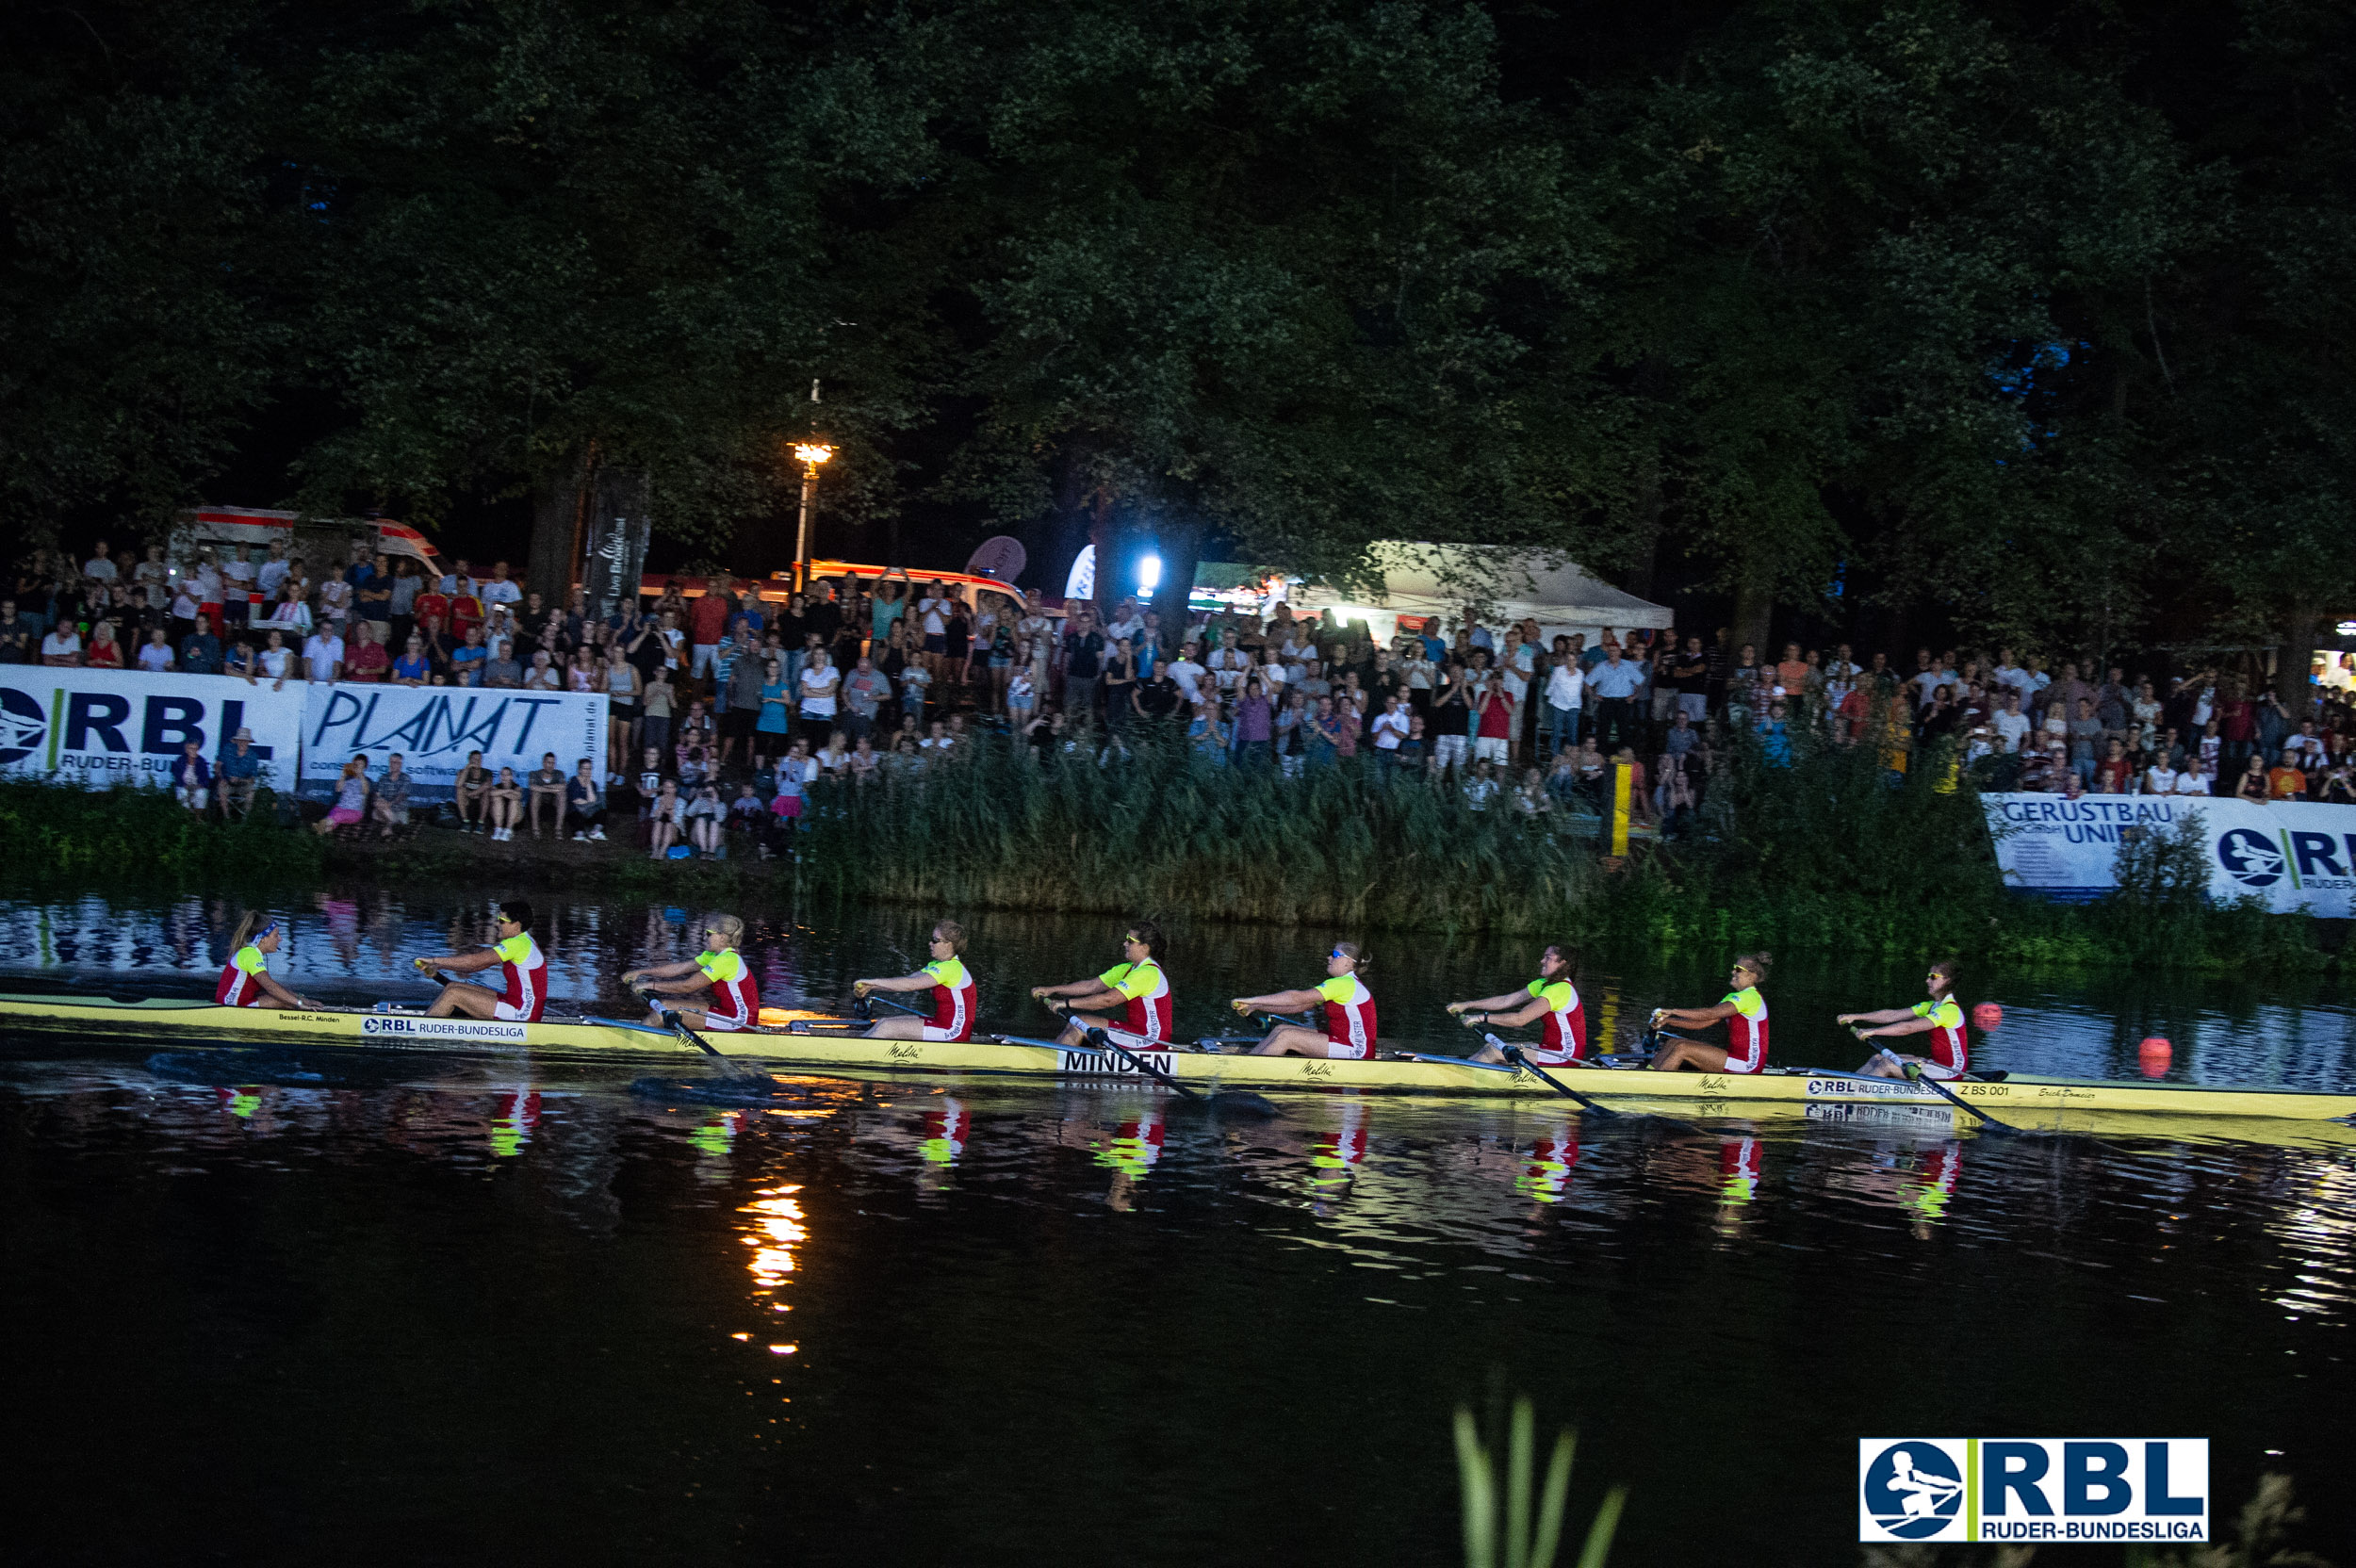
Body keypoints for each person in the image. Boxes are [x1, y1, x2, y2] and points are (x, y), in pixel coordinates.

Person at [1029, 921, 1172, 1046]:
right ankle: (1059, 1053)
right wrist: (1051, 989)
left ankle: (1056, 1063)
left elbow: (1107, 1000)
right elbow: (1092, 986)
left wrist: (1065, 1004)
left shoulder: (1148, 973)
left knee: (1080, 1024)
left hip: (1150, 1040)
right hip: (1136, 1032)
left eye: (1130, 941)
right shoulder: (1128, 968)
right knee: (1077, 1022)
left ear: (1144, 947)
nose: (1124, 944)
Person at [1450, 942, 1588, 1066]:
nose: (1542, 961)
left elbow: (1520, 1019)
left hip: (1565, 1056)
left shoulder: (1560, 989)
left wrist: (1481, 1018)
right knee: (1494, 1048)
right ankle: (1465, 1070)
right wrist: (1467, 1005)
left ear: (1562, 964)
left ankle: (1457, 1081)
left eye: (1548, 958)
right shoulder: (1544, 984)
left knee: (1493, 1050)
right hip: (1549, 1049)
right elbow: (1507, 1000)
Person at [1236, 941, 1378, 1059]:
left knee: (1287, 1037)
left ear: (1348, 962)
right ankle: (1249, 1061)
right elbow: (1298, 1006)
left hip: (1356, 1051)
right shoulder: (1343, 984)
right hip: (1341, 1040)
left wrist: (1250, 999)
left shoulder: (1344, 984)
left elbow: (1295, 997)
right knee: (1281, 1029)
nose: (1329, 958)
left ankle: (1250, 1070)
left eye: (1335, 955)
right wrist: (1256, 1006)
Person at [412, 900, 548, 1021]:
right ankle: (435, 1021)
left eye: (501, 921)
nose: (496, 924)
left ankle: (420, 1032)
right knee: (452, 987)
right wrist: (439, 965)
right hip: (514, 1002)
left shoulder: (517, 944)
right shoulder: (524, 940)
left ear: (516, 925)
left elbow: (473, 962)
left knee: (454, 995)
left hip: (522, 1014)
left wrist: (434, 959)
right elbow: (476, 967)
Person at [626, 913, 761, 1032]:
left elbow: (687, 986)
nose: (705, 937)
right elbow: (679, 968)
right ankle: (645, 1033)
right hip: (727, 1013)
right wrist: (641, 972)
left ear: (722, 937)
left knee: (666, 1008)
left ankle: (631, 1042)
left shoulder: (727, 960)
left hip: (739, 1022)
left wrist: (649, 985)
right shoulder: (714, 955)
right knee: (667, 1007)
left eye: (709, 933)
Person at [1841, 957, 1970, 1080]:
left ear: (1947, 981)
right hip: (1936, 1063)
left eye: (1933, 977)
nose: (1927, 981)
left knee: (1886, 1065)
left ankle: (1853, 1093)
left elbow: (1908, 1028)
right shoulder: (1930, 1006)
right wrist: (1855, 1017)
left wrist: (1874, 1032)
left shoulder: (1949, 1011)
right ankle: (1848, 1085)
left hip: (1951, 1071)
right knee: (1877, 1058)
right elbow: (1892, 1015)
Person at [852, 921, 981, 1041]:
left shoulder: (952, 968)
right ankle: (854, 1048)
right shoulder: (938, 964)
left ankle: (850, 1054)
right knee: (883, 1022)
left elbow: (911, 985)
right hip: (941, 1023)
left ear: (949, 944)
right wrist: (870, 987)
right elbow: (909, 979)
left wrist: (874, 981)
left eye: (935, 940)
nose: (930, 943)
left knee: (888, 1028)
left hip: (954, 1032)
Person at [1646, 953, 1772, 1074]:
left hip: (1749, 1064)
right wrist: (1668, 1021)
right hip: (1734, 1057)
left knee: (1683, 1048)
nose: (1733, 972)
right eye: (1734, 968)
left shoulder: (1751, 997)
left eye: (1738, 969)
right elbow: (1703, 1022)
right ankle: (1648, 1074)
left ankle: (1656, 1084)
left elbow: (1709, 1013)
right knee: (1673, 1043)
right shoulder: (1733, 997)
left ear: (1752, 976)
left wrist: (1673, 1011)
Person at [214, 912, 321, 1008]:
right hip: (231, 1007)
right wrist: (299, 1003)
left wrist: (303, 999)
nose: (280, 939)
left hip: (238, 1004)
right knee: (284, 1001)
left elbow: (272, 988)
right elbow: (271, 987)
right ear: (263, 939)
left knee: (283, 998)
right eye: (276, 935)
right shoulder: (250, 954)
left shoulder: (252, 952)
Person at [313, 755, 372, 835]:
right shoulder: (347, 779)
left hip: (355, 811)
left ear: (365, 767)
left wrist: (361, 775)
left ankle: (320, 826)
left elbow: (366, 791)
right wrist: (343, 775)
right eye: (355, 764)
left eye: (360, 764)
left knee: (337, 816)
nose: (357, 766)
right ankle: (321, 831)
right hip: (340, 807)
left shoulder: (367, 780)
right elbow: (338, 789)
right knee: (332, 820)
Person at [526, 752, 567, 838]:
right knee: (535, 794)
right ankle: (535, 828)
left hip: (553, 804)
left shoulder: (559, 773)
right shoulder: (534, 773)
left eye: (553, 763)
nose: (551, 765)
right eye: (549, 762)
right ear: (543, 763)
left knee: (562, 795)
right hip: (538, 804)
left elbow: (563, 786)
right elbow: (533, 787)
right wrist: (553, 790)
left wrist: (543, 787)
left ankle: (558, 829)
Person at [564, 759, 607, 841]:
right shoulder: (574, 781)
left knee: (602, 812)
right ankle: (580, 835)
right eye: (585, 768)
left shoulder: (593, 784)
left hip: (588, 812)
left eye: (589, 769)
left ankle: (595, 832)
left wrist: (588, 784)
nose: (587, 771)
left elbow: (592, 800)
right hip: (576, 811)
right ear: (579, 770)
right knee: (576, 815)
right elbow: (575, 800)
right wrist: (588, 802)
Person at [371, 753, 412, 839]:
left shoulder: (405, 778)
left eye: (395, 762)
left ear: (400, 764)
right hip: (384, 808)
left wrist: (389, 804)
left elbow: (402, 795)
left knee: (382, 813)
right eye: (391, 762)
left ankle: (388, 826)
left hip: (399, 809)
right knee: (375, 812)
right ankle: (391, 825)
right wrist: (377, 801)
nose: (392, 765)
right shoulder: (383, 777)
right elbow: (377, 793)